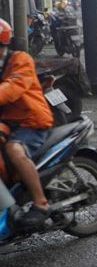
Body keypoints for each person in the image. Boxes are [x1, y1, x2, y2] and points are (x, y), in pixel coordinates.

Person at [0, 18, 55, 229]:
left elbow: (12, 87)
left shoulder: (20, 60)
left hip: (31, 121)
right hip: (6, 122)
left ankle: (41, 203)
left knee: (14, 150)